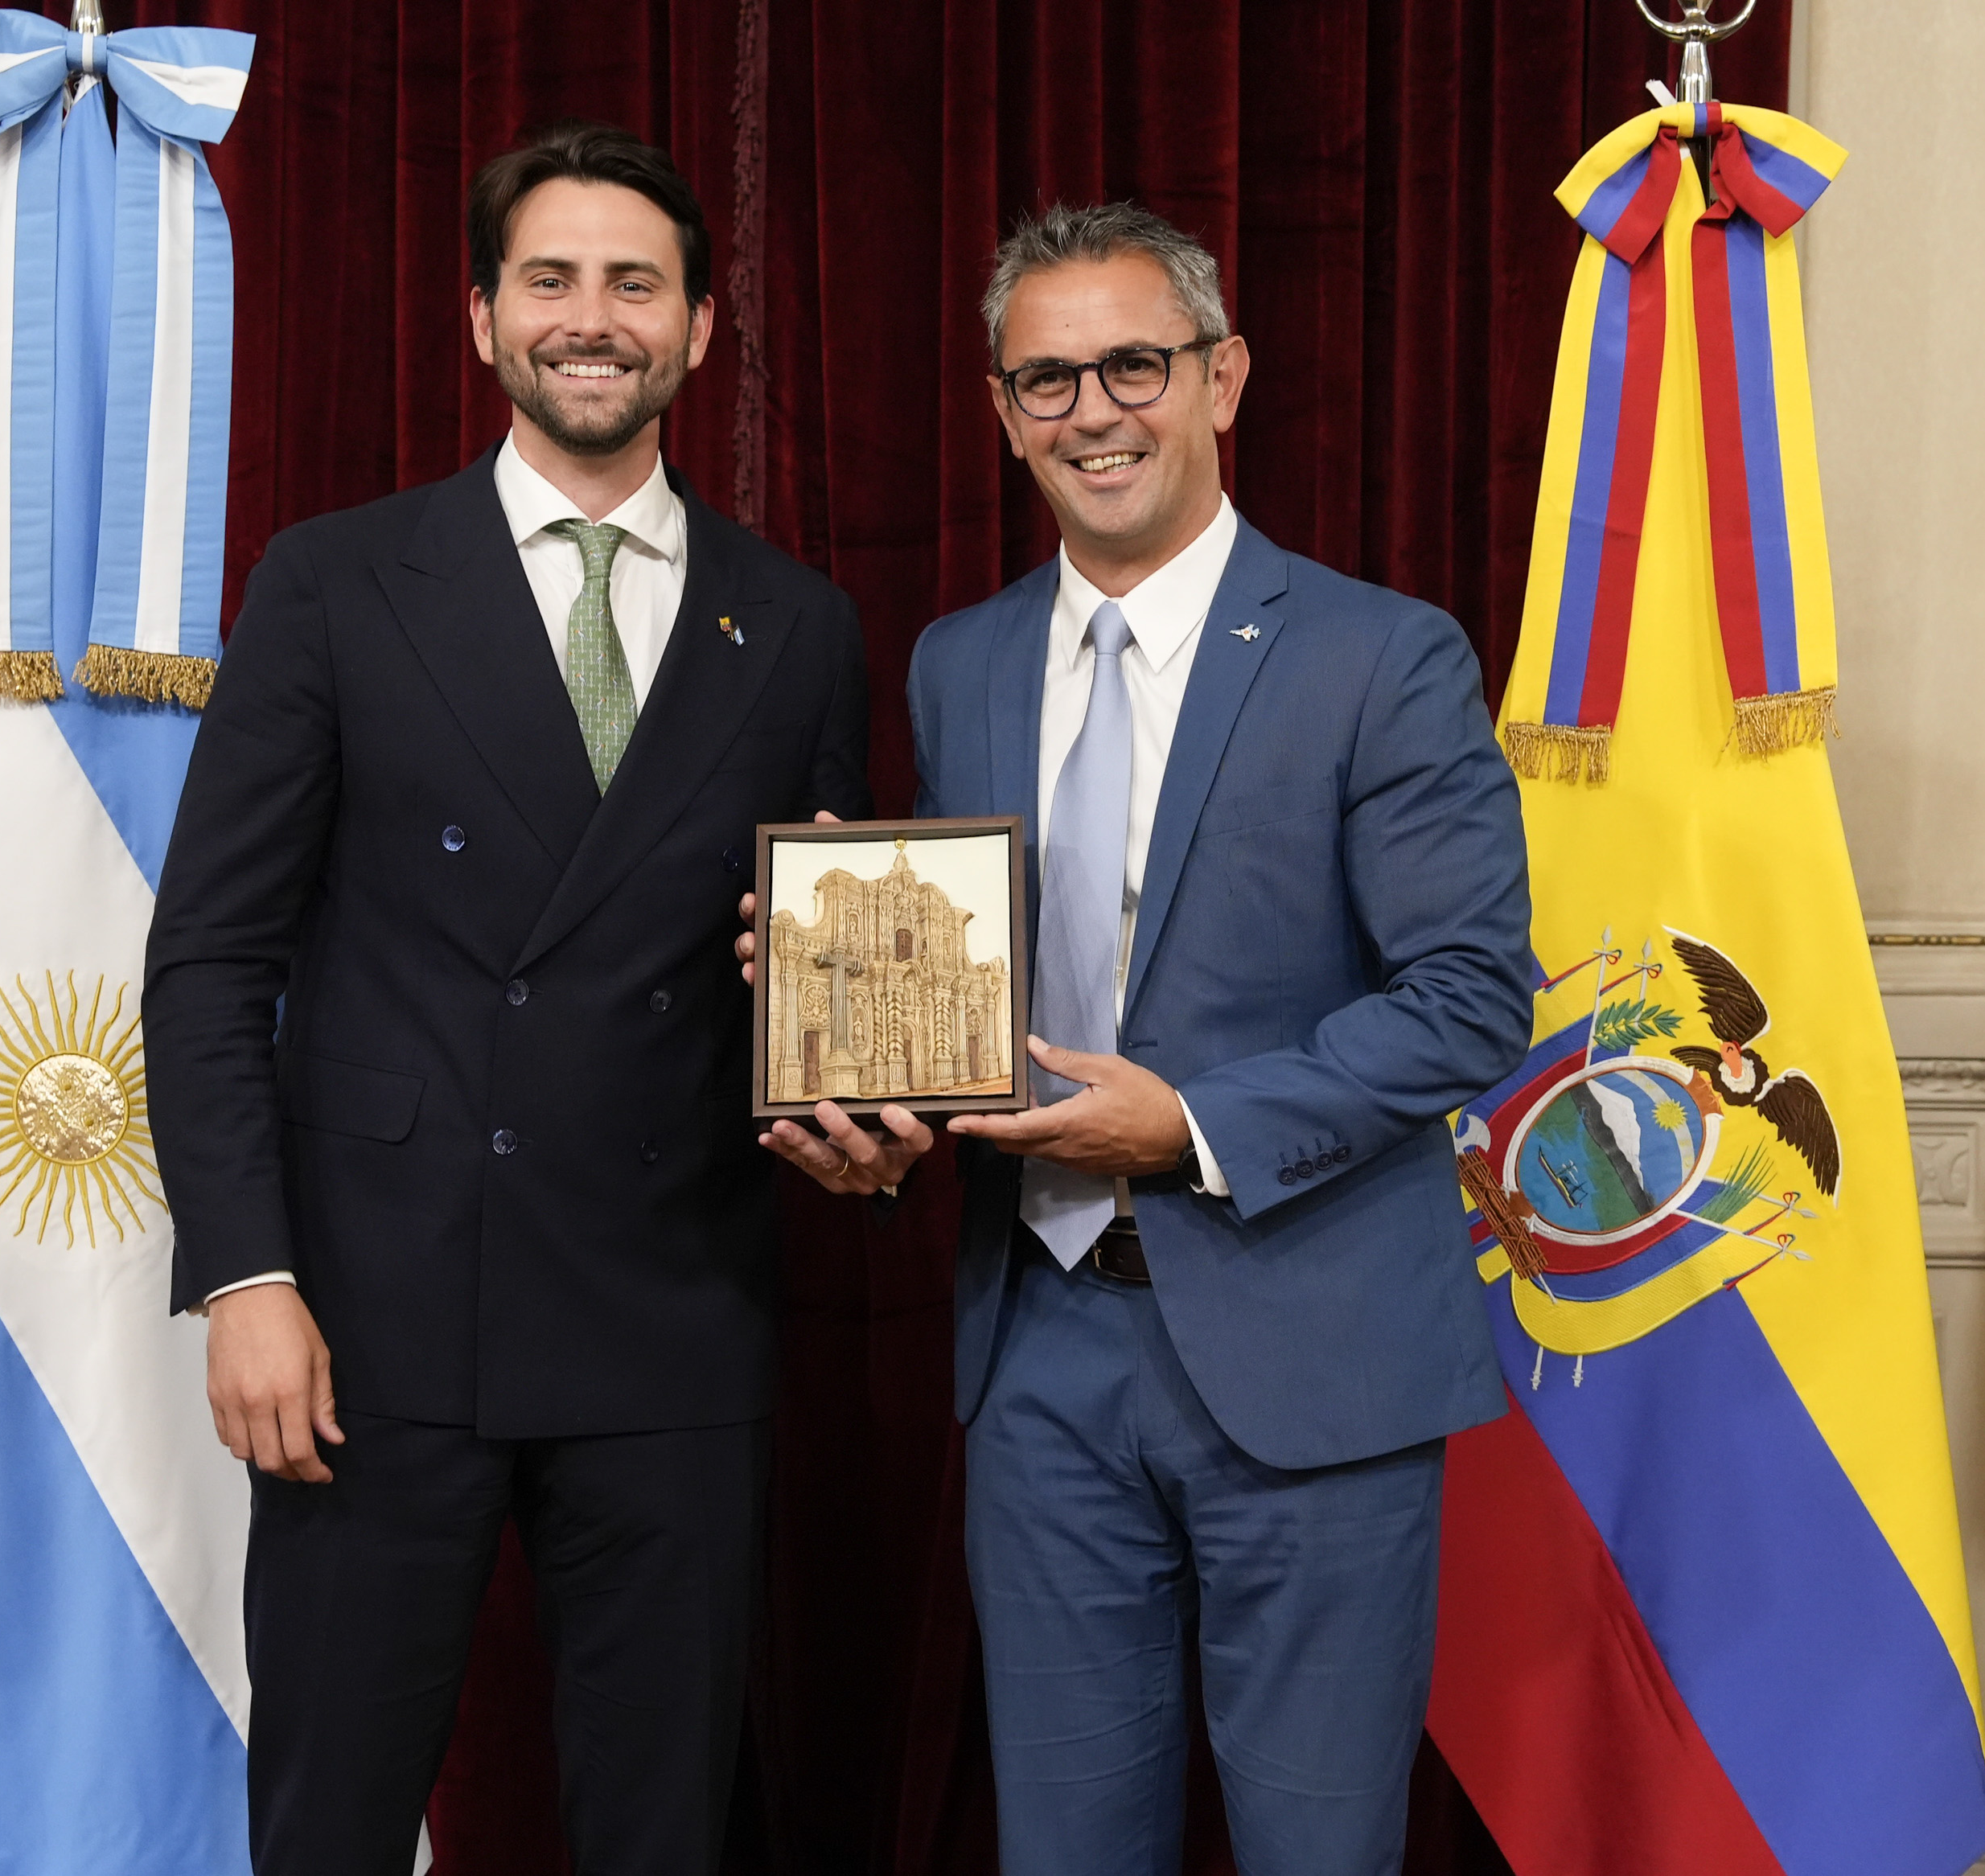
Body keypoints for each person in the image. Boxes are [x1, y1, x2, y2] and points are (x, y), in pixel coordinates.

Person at [757, 203, 1534, 1873]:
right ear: (998, 406)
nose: (1091, 412)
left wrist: (1184, 1127)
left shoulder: (1381, 655)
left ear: (1221, 377)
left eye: (1132, 365)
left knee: (1318, 1850)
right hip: (1036, 1351)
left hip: (1312, 1345)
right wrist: (856, 1069)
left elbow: (1470, 993)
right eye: (1047, 379)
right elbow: (957, 998)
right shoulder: (956, 665)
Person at [144, 122, 869, 1874]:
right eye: (550, 279)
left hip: (671, 1312)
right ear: (481, 318)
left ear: (701, 328)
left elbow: (828, 977)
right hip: (368, 1319)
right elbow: (210, 958)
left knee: (656, 1829)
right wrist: (247, 1275)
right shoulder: (332, 581)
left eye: (637, 282)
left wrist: (861, 1112)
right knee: (328, 1819)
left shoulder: (798, 625)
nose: (591, 317)